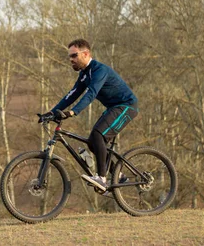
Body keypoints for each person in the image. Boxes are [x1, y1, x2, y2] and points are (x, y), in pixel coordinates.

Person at [43, 39, 138, 193]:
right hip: (113, 107)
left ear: (86, 54)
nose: (71, 59)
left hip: (127, 106)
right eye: (69, 57)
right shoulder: (84, 74)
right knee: (92, 142)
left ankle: (102, 179)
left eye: (74, 55)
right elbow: (71, 95)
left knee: (98, 134)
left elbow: (91, 93)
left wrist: (74, 111)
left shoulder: (99, 70)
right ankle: (118, 174)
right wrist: (51, 113)